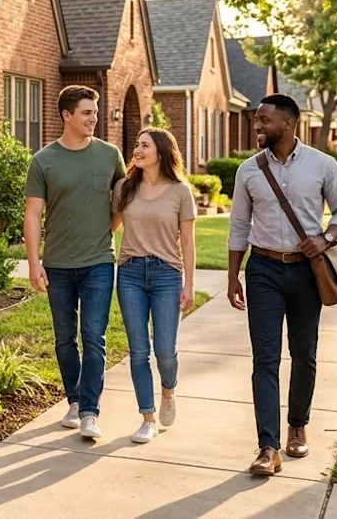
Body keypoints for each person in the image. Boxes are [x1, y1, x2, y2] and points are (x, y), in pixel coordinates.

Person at [227, 94, 337, 476]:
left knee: (304, 353)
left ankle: (297, 426)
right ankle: (267, 447)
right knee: (264, 358)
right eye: (255, 119)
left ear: (288, 123)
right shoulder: (249, 171)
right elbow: (238, 226)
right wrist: (233, 275)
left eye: (264, 120)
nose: (257, 126)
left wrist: (326, 237)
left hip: (305, 271)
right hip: (263, 268)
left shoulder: (322, 165)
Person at [24, 85, 126, 439]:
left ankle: (89, 411)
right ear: (67, 116)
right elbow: (34, 215)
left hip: (99, 260)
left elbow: (120, 205)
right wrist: (34, 262)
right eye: (86, 112)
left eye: (95, 112)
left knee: (93, 336)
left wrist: (105, 235)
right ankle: (73, 398)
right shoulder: (43, 160)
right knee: (64, 337)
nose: (93, 118)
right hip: (58, 264)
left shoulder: (110, 155)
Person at [110, 128, 197, 444]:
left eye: (144, 145)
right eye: (135, 144)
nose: (137, 149)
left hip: (166, 275)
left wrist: (189, 284)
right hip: (131, 272)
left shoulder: (179, 192)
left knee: (164, 350)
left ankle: (169, 391)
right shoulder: (124, 188)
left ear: (160, 151)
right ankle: (147, 417)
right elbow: (111, 226)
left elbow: (187, 241)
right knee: (138, 350)